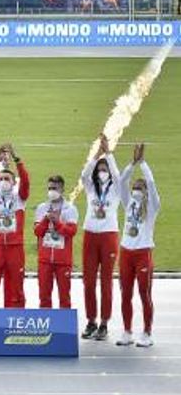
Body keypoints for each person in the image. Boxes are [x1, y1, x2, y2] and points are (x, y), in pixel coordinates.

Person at [80, 135, 121, 341]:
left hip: (108, 236)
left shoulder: (116, 189)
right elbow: (84, 175)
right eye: (100, 169)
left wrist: (109, 154)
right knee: (88, 281)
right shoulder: (91, 188)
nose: (102, 172)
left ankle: (104, 323)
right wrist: (97, 155)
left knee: (106, 281)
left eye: (105, 170)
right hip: (90, 235)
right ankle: (91, 320)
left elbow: (118, 175)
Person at [117, 143, 157, 347]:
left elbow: (150, 182)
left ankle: (147, 333)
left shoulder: (152, 207)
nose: (135, 191)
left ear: (146, 192)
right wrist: (132, 164)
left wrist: (143, 163)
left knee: (144, 293)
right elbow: (122, 181)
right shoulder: (128, 203)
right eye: (135, 188)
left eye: (139, 189)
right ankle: (127, 331)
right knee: (126, 293)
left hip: (143, 253)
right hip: (125, 252)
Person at [0, 144, 30, 308]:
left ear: (14, 182)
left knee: (16, 287)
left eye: (7, 179)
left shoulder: (20, 198)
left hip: (14, 247)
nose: (3, 181)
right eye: (1, 179)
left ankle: (15, 321)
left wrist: (17, 160)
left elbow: (26, 179)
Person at [34, 175, 78, 309]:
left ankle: (63, 328)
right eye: (50, 188)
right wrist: (46, 220)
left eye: (55, 188)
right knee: (44, 297)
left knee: (64, 297)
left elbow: (71, 232)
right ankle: (46, 327)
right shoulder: (42, 208)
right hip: (45, 260)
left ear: (62, 189)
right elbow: (37, 232)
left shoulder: (70, 209)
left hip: (62, 261)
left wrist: (57, 222)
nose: (51, 191)